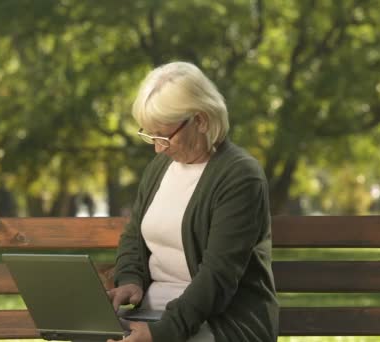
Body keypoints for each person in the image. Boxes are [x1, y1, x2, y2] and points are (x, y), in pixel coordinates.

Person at [107, 61, 279, 342]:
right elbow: (134, 235)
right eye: (150, 135)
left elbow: (218, 278)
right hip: (154, 313)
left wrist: (162, 333)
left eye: (164, 136)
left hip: (222, 322)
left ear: (200, 120)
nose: (157, 148)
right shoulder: (159, 168)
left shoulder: (240, 176)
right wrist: (129, 280)